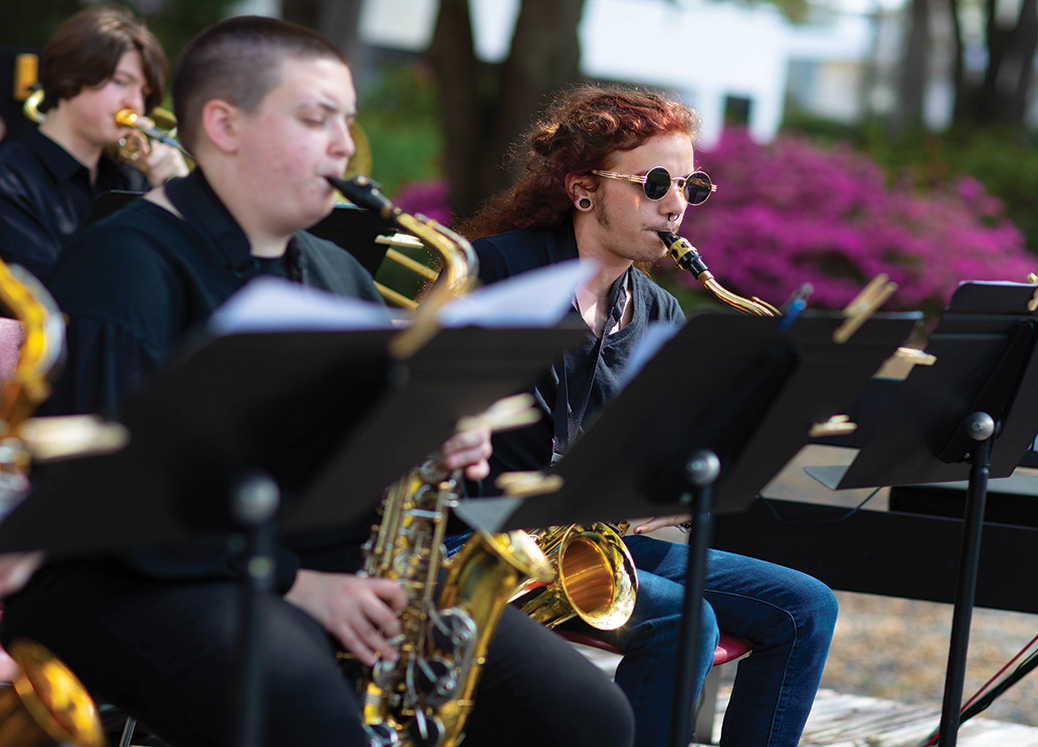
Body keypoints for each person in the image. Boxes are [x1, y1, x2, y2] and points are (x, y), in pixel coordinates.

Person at [0, 17, 633, 747]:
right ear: (224, 124)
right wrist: (298, 585)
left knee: (588, 714)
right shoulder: (124, 261)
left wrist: (435, 435)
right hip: (135, 574)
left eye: (348, 121)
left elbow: (353, 448)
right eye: (315, 118)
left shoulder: (336, 271)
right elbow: (110, 500)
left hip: (309, 559)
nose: (343, 144)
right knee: (312, 711)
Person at [456, 85, 839, 747]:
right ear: (583, 189)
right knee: (685, 620)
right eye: (656, 181)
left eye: (692, 185)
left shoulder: (659, 310)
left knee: (808, 606)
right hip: (485, 539)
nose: (676, 203)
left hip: (594, 538)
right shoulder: (495, 272)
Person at [0, 5, 188, 281]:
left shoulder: (132, 179)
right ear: (69, 80)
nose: (135, 103)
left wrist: (179, 195)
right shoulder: (9, 180)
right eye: (122, 82)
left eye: (144, 93)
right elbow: (50, 291)